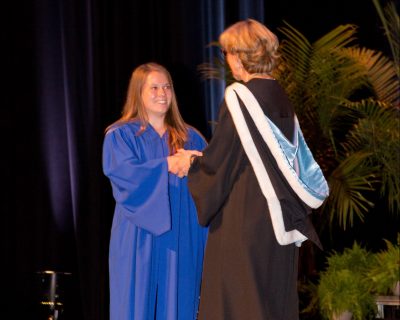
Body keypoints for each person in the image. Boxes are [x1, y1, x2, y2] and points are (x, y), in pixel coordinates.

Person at [182, 19, 329, 319]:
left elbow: (221, 163)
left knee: (239, 304)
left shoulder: (240, 97)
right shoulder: (278, 95)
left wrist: (192, 164)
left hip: (244, 219)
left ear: (239, 54)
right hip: (278, 223)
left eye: (226, 52)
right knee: (272, 303)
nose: (227, 60)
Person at [102, 62, 208, 320]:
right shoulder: (120, 136)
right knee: (136, 305)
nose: (162, 93)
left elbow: (212, 181)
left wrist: (198, 162)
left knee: (180, 304)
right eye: (154, 88)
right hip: (138, 235)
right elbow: (126, 176)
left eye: (167, 87)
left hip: (183, 233)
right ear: (138, 93)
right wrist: (169, 164)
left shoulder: (191, 138)